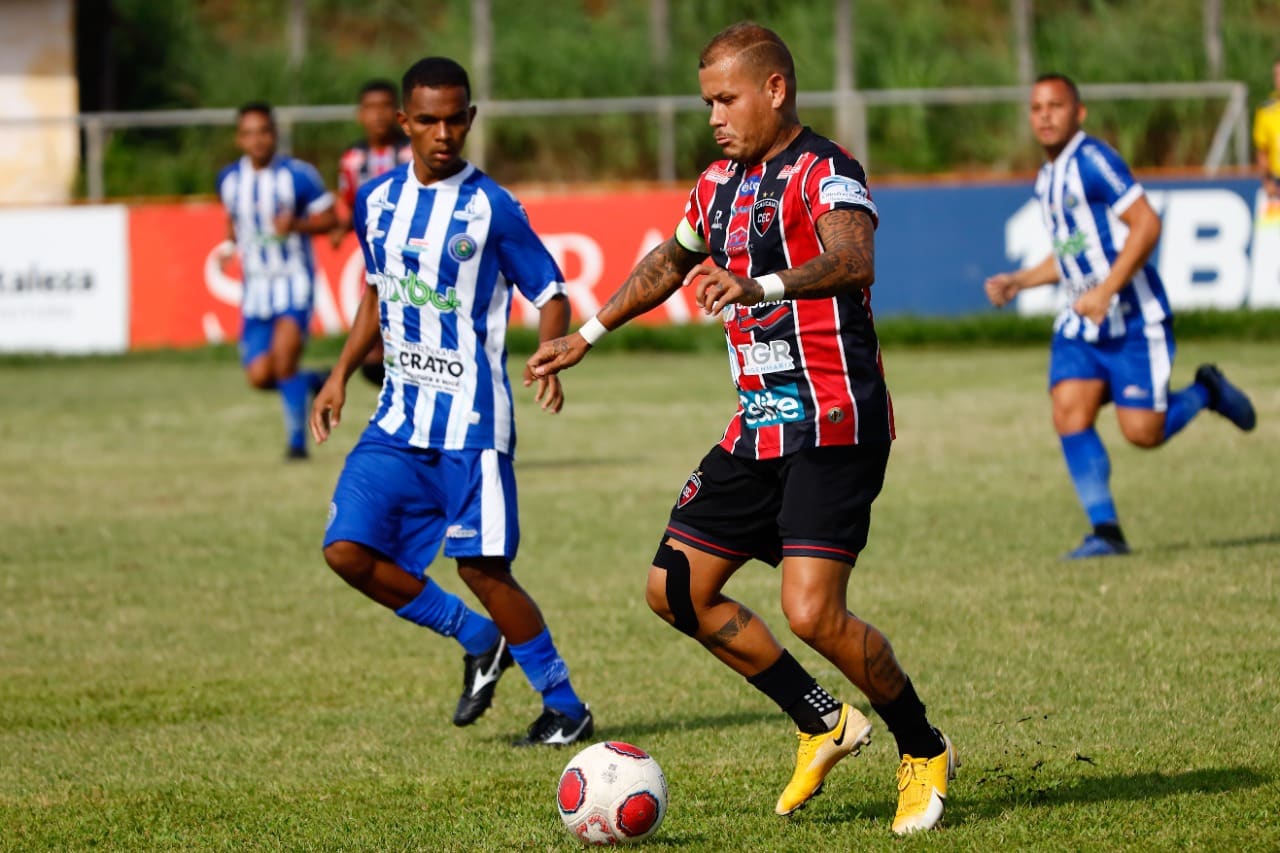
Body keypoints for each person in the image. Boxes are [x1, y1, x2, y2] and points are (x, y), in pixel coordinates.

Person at [528, 21, 955, 835]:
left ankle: (923, 745)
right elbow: (668, 261)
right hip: (757, 427)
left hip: (834, 422)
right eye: (707, 102)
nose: (715, 116)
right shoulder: (717, 182)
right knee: (675, 590)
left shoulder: (827, 171)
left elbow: (854, 258)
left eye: (727, 99)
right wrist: (588, 334)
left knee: (812, 613)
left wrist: (758, 285)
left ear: (775, 89)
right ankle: (823, 721)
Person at [310, 57, 593, 747]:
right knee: (346, 550)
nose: (443, 132)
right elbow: (376, 293)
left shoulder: (492, 206)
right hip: (398, 417)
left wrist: (551, 351)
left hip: (472, 420)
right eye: (428, 119)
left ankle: (566, 706)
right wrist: (340, 372)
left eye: (455, 118)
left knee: (482, 567)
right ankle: (475, 636)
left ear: (470, 119)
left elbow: (551, 292)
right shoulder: (376, 201)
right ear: (403, 122)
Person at [984, 73, 1257, 559]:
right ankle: (1105, 532)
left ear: (1079, 112)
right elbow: (1072, 251)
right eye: (1036, 107)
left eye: (1056, 105)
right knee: (1068, 411)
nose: (1045, 115)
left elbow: (1147, 223)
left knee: (1143, 433)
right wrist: (1019, 280)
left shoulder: (1093, 160)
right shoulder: (1048, 177)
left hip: (1132, 318)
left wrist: (1108, 290)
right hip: (1083, 322)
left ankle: (1207, 391)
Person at [217, 101, 336, 460]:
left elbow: (329, 219)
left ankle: (297, 445)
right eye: (250, 133)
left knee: (284, 364)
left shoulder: (299, 175)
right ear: (240, 139)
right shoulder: (229, 179)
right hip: (255, 290)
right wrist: (228, 246)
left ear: (275, 134)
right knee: (259, 376)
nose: (258, 140)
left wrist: (297, 226)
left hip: (293, 283)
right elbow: (232, 219)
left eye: (264, 132)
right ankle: (314, 381)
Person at [331, 79, 414, 387]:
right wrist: (341, 227)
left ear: (398, 113)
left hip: (415, 258)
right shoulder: (352, 159)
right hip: (379, 266)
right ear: (360, 115)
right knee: (373, 358)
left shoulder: (412, 152)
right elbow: (349, 200)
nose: (378, 115)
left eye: (385, 107)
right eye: (371, 108)